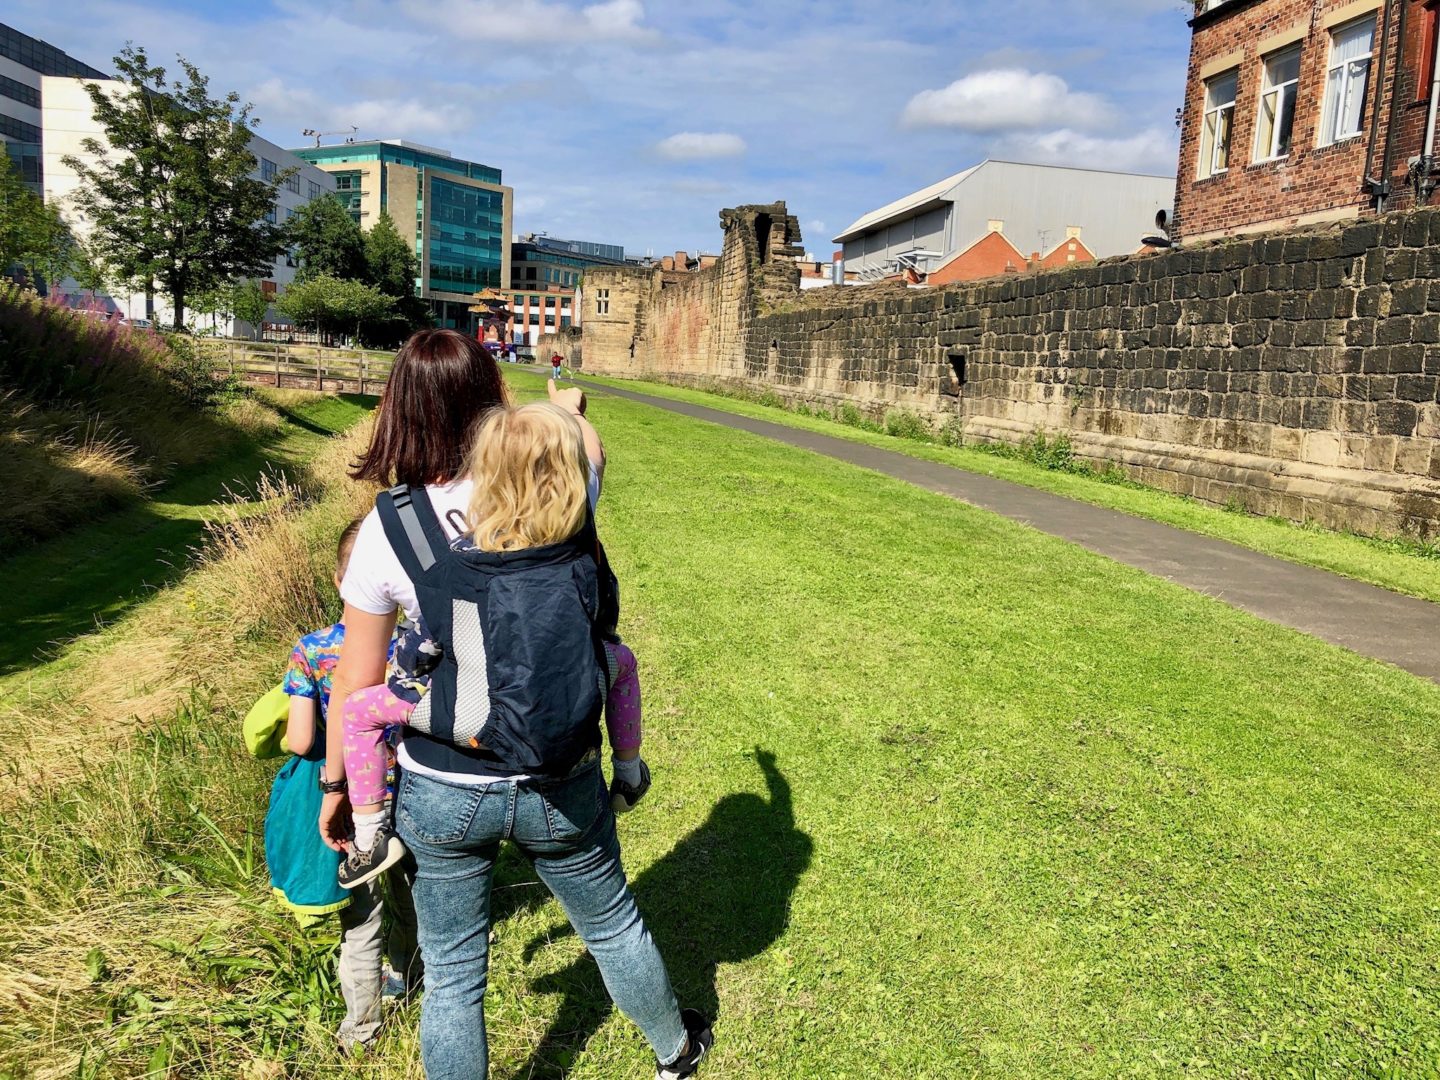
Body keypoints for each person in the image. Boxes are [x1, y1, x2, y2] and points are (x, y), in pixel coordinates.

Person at [318, 328, 711, 1079]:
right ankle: (676, 1050)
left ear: (395, 410)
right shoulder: (560, 482)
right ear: (493, 399)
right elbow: (589, 444)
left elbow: (357, 682)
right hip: (557, 766)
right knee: (611, 924)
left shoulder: (383, 531)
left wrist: (340, 784)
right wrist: (566, 406)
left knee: (456, 974)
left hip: (443, 778)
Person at [334, 469, 652, 889]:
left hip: (469, 716)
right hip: (552, 705)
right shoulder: (556, 548)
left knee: (358, 712)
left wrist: (406, 674)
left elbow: (425, 647)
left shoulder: (459, 567)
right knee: (623, 664)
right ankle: (629, 773)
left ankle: (371, 833)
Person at [268, 520, 418, 1053]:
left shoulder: (311, 651)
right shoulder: (412, 647)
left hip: (354, 800)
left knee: (362, 914)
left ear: (339, 581)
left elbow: (304, 737)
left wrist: (280, 732)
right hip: (410, 787)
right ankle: (407, 972)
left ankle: (361, 1030)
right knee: (408, 892)